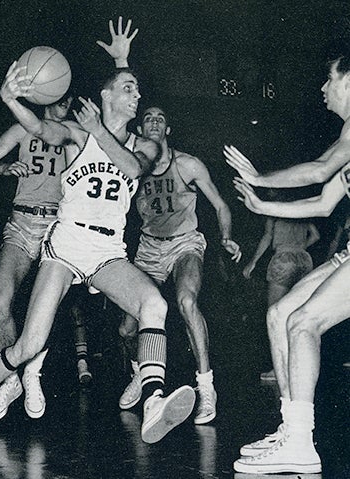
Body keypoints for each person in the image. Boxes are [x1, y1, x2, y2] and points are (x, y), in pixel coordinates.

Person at [0, 19, 195, 447]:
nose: (137, 96)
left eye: (138, 91)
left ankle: (154, 400)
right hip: (66, 244)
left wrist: (116, 91)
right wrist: (9, 98)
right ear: (105, 96)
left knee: (154, 305)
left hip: (106, 249)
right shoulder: (76, 134)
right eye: (128, 89)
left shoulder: (145, 145)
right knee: (29, 343)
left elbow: (132, 169)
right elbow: (38, 129)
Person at [226, 51, 350, 474]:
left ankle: (300, 443)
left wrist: (262, 178)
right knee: (280, 314)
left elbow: (317, 172)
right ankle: (291, 431)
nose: (322, 89)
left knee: (304, 323)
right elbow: (323, 202)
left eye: (328, 79)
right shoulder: (346, 140)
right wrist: (262, 205)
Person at [118, 106, 241, 424]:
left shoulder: (187, 164)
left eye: (161, 118)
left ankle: (206, 387)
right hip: (147, 249)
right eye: (148, 118)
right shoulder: (132, 167)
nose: (155, 122)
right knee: (127, 328)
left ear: (167, 130)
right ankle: (141, 373)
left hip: (185, 244)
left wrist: (226, 237)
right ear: (141, 130)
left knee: (187, 302)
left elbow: (221, 204)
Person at [0, 92, 73, 423]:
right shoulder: (21, 130)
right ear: (47, 95)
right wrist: (2, 168)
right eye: (61, 99)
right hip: (20, 222)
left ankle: (33, 371)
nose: (65, 106)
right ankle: (12, 380)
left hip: (56, 225)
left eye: (69, 101)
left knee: (41, 308)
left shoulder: (74, 133)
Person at [243, 202, 320, 381]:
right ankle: (302, 369)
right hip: (304, 260)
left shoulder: (275, 210)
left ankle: (279, 371)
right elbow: (316, 235)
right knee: (299, 316)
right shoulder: (302, 210)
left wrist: (253, 261)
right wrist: (299, 246)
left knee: (275, 316)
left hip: (283, 258)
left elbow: (267, 237)